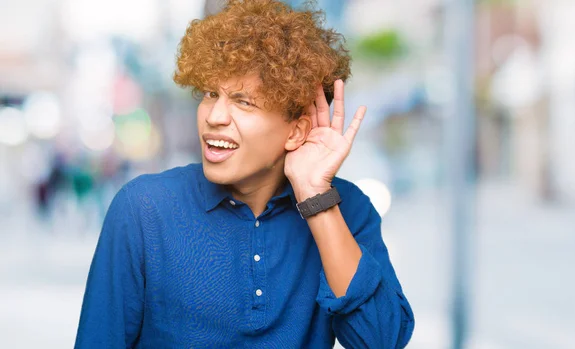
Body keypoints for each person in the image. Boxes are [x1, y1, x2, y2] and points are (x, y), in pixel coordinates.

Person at [75, 1, 414, 348]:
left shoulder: (347, 209)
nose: (214, 116)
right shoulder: (143, 209)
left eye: (243, 102)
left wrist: (317, 199)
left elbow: (381, 340)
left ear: (295, 132)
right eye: (210, 94)